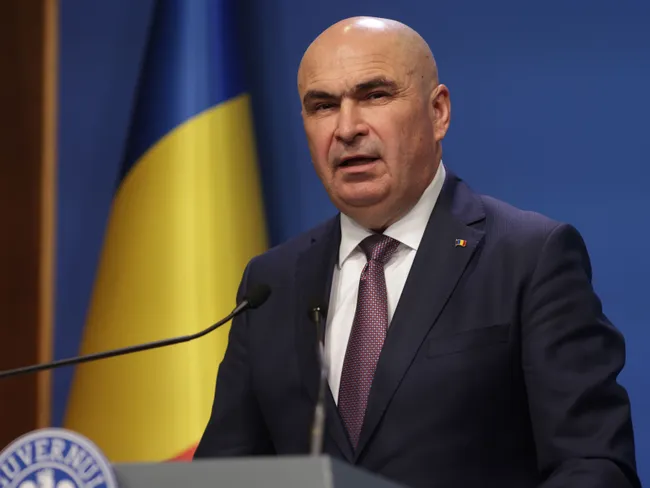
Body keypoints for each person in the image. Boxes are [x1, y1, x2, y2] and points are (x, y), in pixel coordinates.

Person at [194, 16, 640, 488]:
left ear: (438, 112)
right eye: (323, 105)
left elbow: (594, 464)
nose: (347, 128)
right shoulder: (271, 284)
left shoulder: (529, 258)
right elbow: (224, 475)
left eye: (375, 95)